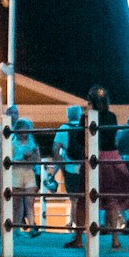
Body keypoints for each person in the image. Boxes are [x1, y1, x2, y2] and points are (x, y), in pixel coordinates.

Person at [86, 85, 129, 243]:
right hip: (112, 157)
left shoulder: (88, 116)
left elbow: (80, 138)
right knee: (111, 198)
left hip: (95, 157)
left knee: (89, 197)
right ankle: (115, 238)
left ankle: (87, 237)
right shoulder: (111, 116)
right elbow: (112, 135)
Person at [56, 105, 87, 245]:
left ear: (68, 116)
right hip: (85, 167)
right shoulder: (86, 128)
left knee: (74, 201)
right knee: (88, 199)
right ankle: (87, 228)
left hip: (70, 168)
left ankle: (77, 233)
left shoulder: (64, 129)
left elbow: (55, 150)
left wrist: (62, 166)